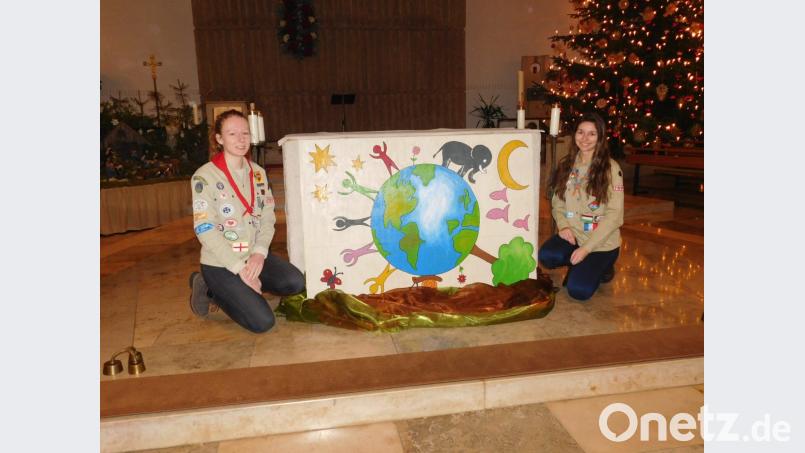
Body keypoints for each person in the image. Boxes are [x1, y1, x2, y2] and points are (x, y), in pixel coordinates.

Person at [189, 109, 305, 333]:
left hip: (252, 255)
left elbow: (268, 217)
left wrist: (259, 253)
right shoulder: (204, 177)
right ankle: (209, 287)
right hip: (221, 263)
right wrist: (240, 270)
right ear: (219, 139)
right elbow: (205, 229)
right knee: (263, 323)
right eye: (232, 134)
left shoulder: (258, 173)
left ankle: (241, 289)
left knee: (295, 282)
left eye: (245, 133)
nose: (241, 139)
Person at [538, 113, 624, 301]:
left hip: (600, 244)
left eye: (592, 134)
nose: (585, 138)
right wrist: (563, 226)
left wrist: (586, 249)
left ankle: (604, 268)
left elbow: (615, 216)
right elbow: (558, 201)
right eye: (581, 132)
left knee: (578, 291)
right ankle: (580, 264)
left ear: (600, 137)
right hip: (574, 236)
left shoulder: (611, 169)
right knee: (547, 256)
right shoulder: (567, 165)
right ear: (574, 134)